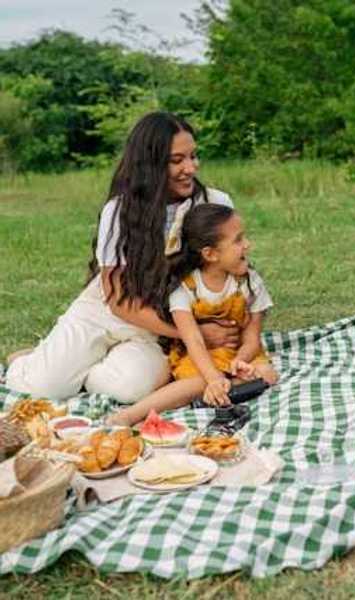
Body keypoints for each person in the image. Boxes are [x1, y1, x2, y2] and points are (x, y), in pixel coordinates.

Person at [6, 112, 242, 402]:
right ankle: (31, 361)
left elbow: (231, 274)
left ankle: (78, 364)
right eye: (176, 160)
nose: (191, 168)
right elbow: (118, 301)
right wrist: (195, 336)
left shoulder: (215, 204)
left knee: (126, 389)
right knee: (41, 388)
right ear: (150, 165)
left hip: (160, 328)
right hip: (106, 311)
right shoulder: (119, 211)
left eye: (193, 156)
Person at [106, 203, 278, 426]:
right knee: (198, 382)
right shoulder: (185, 288)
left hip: (237, 353)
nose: (247, 245)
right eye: (238, 240)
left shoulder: (249, 281)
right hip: (200, 355)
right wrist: (213, 377)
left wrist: (240, 361)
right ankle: (130, 415)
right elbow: (193, 340)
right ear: (210, 254)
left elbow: (252, 338)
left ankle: (216, 392)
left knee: (267, 374)